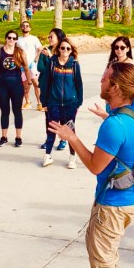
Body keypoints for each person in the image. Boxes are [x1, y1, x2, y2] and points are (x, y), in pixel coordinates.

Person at [49, 62, 134, 268]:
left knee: (104, 262)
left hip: (114, 204)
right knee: (100, 250)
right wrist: (108, 117)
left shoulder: (114, 126)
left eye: (105, 79)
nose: (101, 82)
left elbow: (95, 166)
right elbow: (128, 137)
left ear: (115, 87)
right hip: (129, 198)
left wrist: (72, 138)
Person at [40, 37, 83, 169]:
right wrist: (44, 102)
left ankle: (72, 157)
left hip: (70, 103)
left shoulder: (75, 65)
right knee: (52, 128)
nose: (65, 50)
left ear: (71, 50)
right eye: (62, 47)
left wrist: (78, 102)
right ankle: (47, 155)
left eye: (68, 48)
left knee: (70, 130)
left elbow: (78, 84)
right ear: (58, 49)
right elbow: (45, 83)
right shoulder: (52, 64)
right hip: (53, 102)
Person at [0, 30, 30, 148]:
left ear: (16, 40)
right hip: (2, 85)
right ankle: (4, 137)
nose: (11, 40)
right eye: (9, 38)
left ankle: (18, 137)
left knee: (17, 110)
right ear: (6, 38)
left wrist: (28, 83)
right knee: (5, 111)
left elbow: (26, 68)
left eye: (14, 38)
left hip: (17, 85)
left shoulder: (20, 52)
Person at [37, 28, 68, 151]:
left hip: (61, 88)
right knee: (49, 115)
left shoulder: (65, 50)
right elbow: (41, 68)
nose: (49, 39)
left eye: (51, 37)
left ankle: (63, 139)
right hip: (47, 87)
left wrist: (50, 57)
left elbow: (62, 68)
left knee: (63, 115)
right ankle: (49, 139)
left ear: (59, 38)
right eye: (48, 37)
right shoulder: (46, 51)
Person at [17, 21, 44, 110]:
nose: (25, 27)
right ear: (21, 28)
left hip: (32, 65)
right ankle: (28, 102)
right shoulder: (18, 40)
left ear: (30, 28)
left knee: (36, 83)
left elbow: (40, 48)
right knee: (25, 85)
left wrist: (37, 57)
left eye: (27, 26)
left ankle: (40, 103)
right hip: (22, 66)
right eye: (23, 26)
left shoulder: (34, 38)